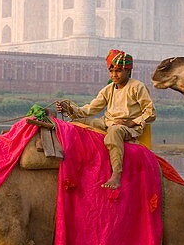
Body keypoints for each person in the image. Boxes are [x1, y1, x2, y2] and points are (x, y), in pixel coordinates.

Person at [55, 49, 156, 189]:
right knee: (75, 124)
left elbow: (150, 112)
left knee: (114, 132)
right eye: (112, 71)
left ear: (128, 71)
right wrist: (69, 109)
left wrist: (131, 122)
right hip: (106, 122)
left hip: (127, 127)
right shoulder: (109, 89)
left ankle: (116, 174)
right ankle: (72, 163)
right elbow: (90, 109)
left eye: (119, 71)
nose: (114, 74)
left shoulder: (137, 87)